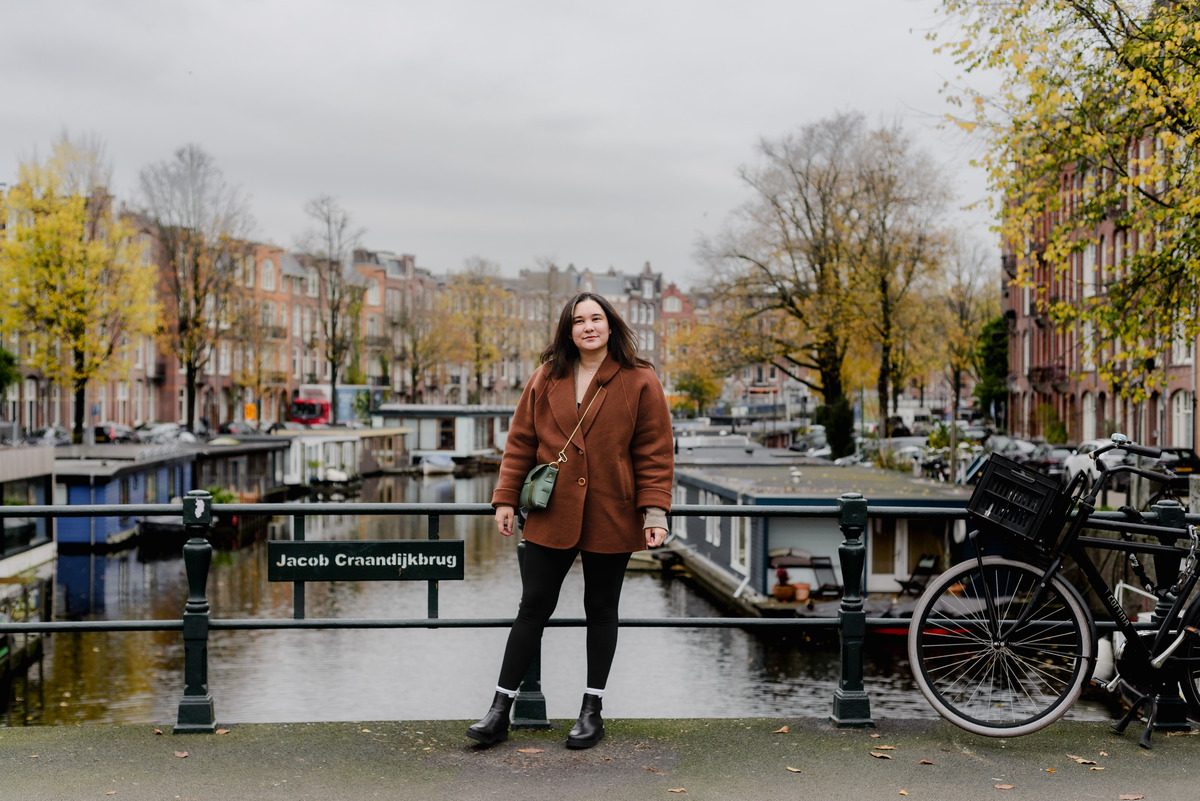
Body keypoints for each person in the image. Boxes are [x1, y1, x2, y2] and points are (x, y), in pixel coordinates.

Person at [466, 291, 673, 749]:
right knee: (532, 608)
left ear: (611, 325)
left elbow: (654, 451)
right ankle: (500, 710)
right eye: (578, 320)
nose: (588, 327)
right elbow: (520, 440)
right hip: (551, 510)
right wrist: (504, 499)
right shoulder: (546, 376)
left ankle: (591, 712)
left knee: (601, 611)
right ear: (568, 330)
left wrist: (654, 511)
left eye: (596, 318)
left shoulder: (640, 380)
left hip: (612, 511)